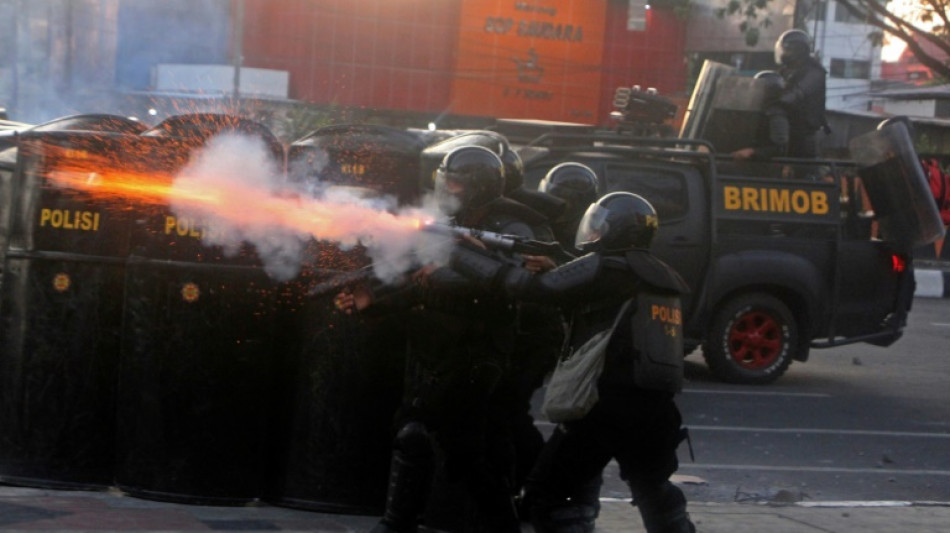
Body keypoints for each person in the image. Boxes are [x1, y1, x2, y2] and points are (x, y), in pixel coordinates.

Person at [448, 192, 694, 533]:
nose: (592, 234)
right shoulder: (661, 277)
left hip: (603, 408)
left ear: (614, 230)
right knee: (653, 490)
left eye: (599, 227)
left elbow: (527, 288)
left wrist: (463, 255)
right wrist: (557, 266)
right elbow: (593, 297)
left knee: (547, 499)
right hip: (656, 410)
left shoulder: (605, 266)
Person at [337, 145, 542, 533]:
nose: (448, 188)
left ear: (478, 187)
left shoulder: (512, 228)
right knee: (417, 433)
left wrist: (456, 266)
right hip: (439, 348)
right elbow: (419, 283)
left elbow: (510, 283)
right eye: (446, 180)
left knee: (467, 453)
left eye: (457, 182)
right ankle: (397, 524)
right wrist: (374, 303)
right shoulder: (446, 221)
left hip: (481, 352)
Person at [773, 29, 827, 159]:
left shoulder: (815, 72)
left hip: (804, 133)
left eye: (788, 50)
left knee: (802, 172)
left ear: (799, 50)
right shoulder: (785, 71)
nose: (784, 53)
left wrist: (774, 101)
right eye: (784, 49)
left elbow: (795, 95)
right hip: (786, 128)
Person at [731, 71, 790, 162]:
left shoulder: (776, 114)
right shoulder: (757, 111)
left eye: (758, 88)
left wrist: (754, 152)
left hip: (765, 167)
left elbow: (780, 148)